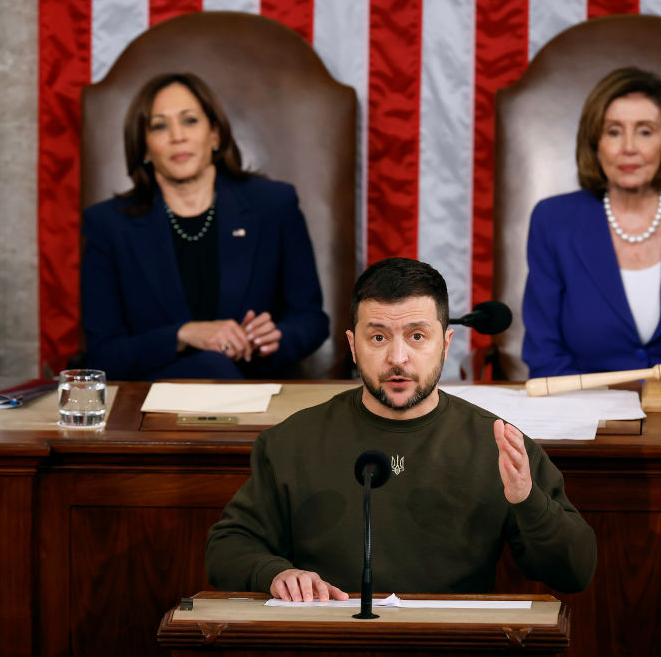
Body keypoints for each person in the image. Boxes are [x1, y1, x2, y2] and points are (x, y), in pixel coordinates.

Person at [206, 257, 596, 601]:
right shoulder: (292, 441)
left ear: (446, 344)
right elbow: (227, 547)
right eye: (378, 337)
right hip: (330, 643)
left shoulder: (497, 443)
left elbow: (575, 572)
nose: (397, 358)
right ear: (353, 345)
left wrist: (528, 501)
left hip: (455, 647)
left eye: (417, 336)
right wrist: (275, 574)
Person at [80, 72, 328, 380]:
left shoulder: (274, 205)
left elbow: (311, 321)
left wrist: (275, 338)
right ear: (144, 147)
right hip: (156, 399)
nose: (177, 136)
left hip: (256, 388)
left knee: (219, 369)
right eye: (159, 126)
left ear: (215, 134)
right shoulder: (108, 225)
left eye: (190, 121)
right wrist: (183, 335)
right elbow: (103, 355)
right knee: (213, 366)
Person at [522, 67, 661, 378]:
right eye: (613, 131)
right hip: (583, 404)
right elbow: (544, 353)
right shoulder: (553, 221)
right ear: (595, 143)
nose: (628, 147)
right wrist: (595, 405)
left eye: (645, 131)